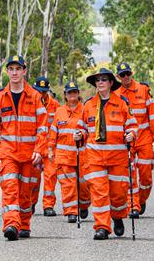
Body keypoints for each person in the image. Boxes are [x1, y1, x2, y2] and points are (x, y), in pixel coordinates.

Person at [0, 55, 48, 241]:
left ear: (24, 71)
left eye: (18, 69)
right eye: (11, 69)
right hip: (8, 153)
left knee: (25, 191)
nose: (14, 72)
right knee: (10, 188)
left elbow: (43, 127)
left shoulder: (35, 97)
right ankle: (11, 224)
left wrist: (39, 149)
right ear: (7, 72)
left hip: (30, 154)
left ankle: (24, 224)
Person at [80, 68, 138, 240]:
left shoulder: (122, 103)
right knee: (99, 192)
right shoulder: (89, 105)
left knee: (118, 194)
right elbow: (82, 128)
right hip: (95, 158)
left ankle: (118, 217)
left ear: (111, 83)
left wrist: (131, 134)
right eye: (97, 80)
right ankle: (102, 227)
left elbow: (133, 125)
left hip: (117, 158)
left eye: (104, 79)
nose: (100, 83)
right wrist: (79, 135)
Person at [116, 63, 154, 217]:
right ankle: (133, 205)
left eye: (128, 73)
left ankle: (141, 200)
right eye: (122, 75)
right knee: (129, 173)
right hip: (126, 140)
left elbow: (153, 115)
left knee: (146, 174)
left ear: (132, 73)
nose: (126, 77)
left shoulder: (143, 90)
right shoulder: (115, 93)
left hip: (144, 138)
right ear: (118, 77)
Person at [48, 80, 91, 223]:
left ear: (78, 94)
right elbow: (53, 132)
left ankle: (84, 204)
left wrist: (82, 136)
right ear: (65, 95)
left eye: (74, 92)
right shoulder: (59, 112)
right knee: (68, 185)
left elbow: (90, 131)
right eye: (69, 93)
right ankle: (71, 211)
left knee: (84, 185)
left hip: (82, 156)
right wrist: (50, 149)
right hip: (63, 157)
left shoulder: (85, 110)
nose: (72, 95)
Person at [31, 76, 61, 217]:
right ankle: (29, 204)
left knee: (50, 177)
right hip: (35, 148)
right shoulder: (29, 103)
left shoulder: (55, 105)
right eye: (39, 91)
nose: (41, 94)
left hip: (50, 150)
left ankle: (48, 206)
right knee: (33, 179)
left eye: (43, 92)